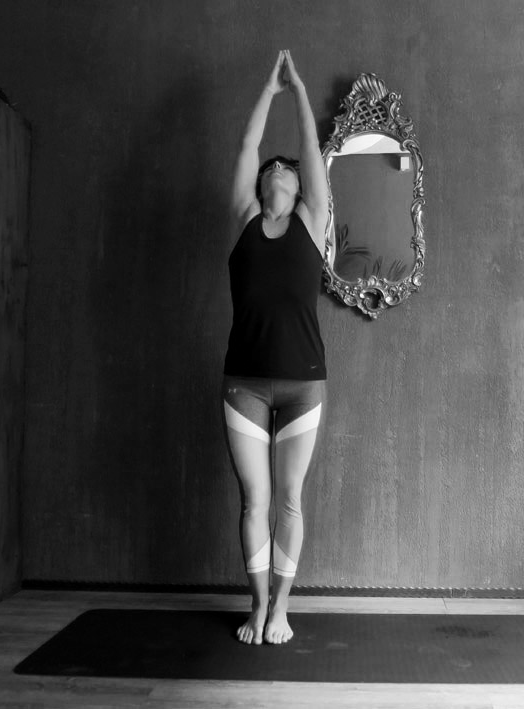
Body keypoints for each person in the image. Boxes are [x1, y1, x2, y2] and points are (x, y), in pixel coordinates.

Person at [222, 50, 330, 645]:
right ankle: (258, 606)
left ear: (299, 186)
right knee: (253, 500)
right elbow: (247, 146)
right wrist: (268, 90)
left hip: (303, 384)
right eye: (273, 167)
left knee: (289, 498)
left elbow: (311, 149)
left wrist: (301, 92)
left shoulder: (312, 220)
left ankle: (283, 609)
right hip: (244, 383)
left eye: (289, 169)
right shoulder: (242, 218)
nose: (281, 169)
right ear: (263, 184)